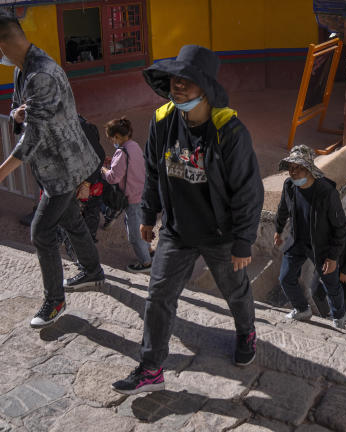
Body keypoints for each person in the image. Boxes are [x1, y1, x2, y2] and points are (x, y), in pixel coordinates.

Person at [112, 45, 264, 395]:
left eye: (188, 81)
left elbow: (248, 191)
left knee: (235, 290)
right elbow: (152, 170)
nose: (177, 87)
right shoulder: (163, 120)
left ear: (206, 88)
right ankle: (151, 368)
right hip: (177, 231)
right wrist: (149, 214)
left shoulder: (231, 132)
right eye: (175, 80)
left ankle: (246, 332)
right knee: (158, 295)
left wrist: (243, 241)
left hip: (219, 234)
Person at [0, 11, 104, 329]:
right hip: (53, 166)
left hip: (65, 167)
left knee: (42, 231)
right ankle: (92, 271)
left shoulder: (41, 74)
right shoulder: (25, 70)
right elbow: (18, 111)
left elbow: (36, 134)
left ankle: (54, 300)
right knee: (72, 219)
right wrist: (17, 115)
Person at [273, 145, 346, 329]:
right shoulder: (289, 186)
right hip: (297, 240)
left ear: (308, 169)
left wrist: (332, 257)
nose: (292, 172)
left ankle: (339, 317)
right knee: (285, 278)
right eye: (290, 167)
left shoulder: (327, 193)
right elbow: (283, 209)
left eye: (297, 167)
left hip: (322, 246)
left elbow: (341, 227)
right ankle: (302, 309)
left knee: (330, 283)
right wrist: (278, 229)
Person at [102, 117, 150, 271]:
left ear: (116, 136)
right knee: (144, 225)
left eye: (111, 138)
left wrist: (103, 169)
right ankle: (148, 251)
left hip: (132, 197)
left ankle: (146, 262)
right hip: (143, 192)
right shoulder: (134, 146)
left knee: (134, 235)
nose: (111, 141)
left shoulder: (121, 153)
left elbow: (112, 178)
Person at [314, 226, 346, 324]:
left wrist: (345, 272)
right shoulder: (324, 232)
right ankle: (328, 315)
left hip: (345, 273)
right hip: (329, 270)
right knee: (318, 292)